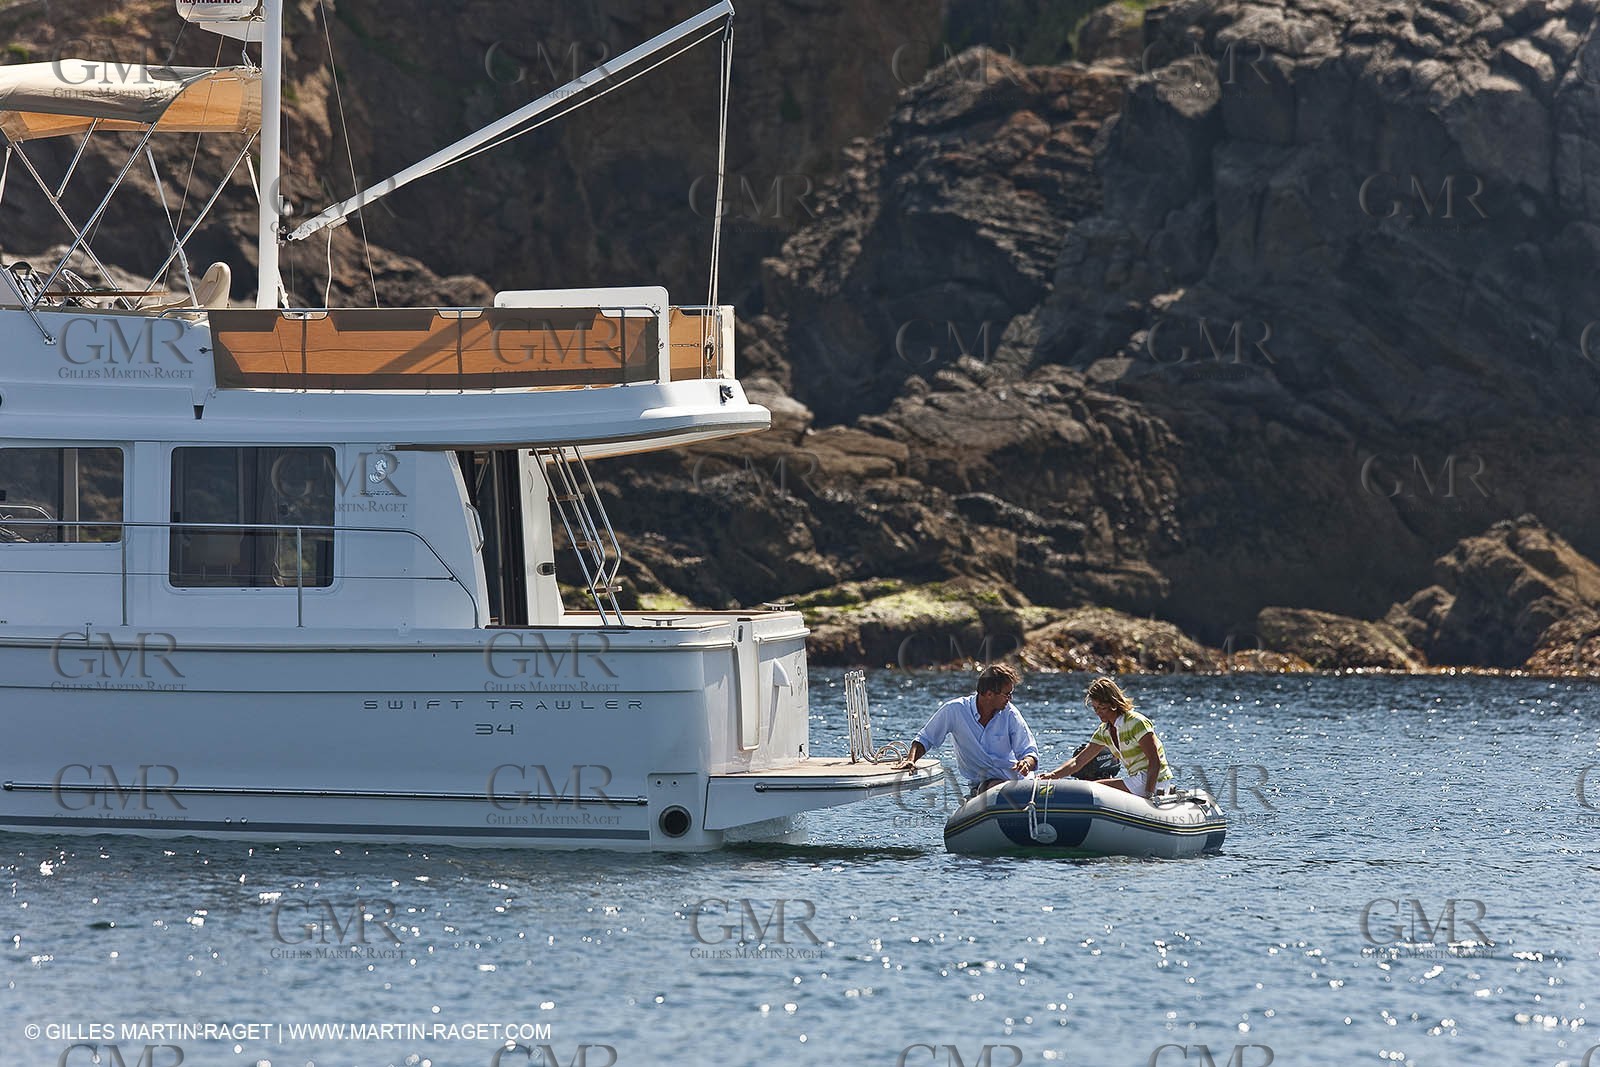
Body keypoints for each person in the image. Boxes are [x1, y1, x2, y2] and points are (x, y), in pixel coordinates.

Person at [897, 663, 1038, 797]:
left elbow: (1029, 752)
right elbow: (925, 738)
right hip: (986, 785)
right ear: (989, 694)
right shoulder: (955, 710)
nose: (1010, 699)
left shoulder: (1011, 714)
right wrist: (911, 760)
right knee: (996, 789)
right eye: (1007, 694)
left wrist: (1026, 762)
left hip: (1020, 783)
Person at [1042, 676, 1172, 800]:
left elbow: (1155, 761)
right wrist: (1052, 776)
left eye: (1102, 708)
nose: (1098, 712)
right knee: (1090, 786)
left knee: (1094, 787)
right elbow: (1079, 761)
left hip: (1155, 781)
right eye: (1095, 708)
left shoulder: (1137, 722)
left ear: (1113, 704)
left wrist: (1148, 795)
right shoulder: (1104, 731)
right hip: (1137, 781)